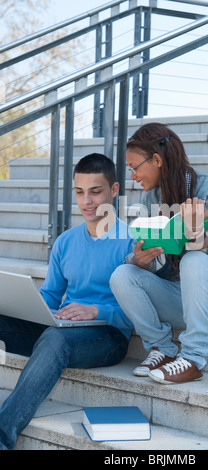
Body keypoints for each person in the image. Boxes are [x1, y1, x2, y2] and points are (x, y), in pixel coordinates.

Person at [0, 153, 133, 450]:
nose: (86, 201)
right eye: (79, 192)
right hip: (61, 326)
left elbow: (141, 314)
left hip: (108, 336)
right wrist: (19, 304)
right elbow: (50, 295)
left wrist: (96, 310)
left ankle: (2, 436)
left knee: (54, 340)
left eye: (95, 191)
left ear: (114, 190)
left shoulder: (131, 241)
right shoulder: (66, 241)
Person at [110, 123, 208, 385]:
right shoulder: (152, 199)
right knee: (123, 273)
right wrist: (142, 260)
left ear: (157, 160)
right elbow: (162, 262)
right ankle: (163, 349)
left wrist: (196, 231)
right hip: (181, 296)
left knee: (195, 257)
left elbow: (207, 245)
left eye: (134, 167)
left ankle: (194, 359)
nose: (133, 176)